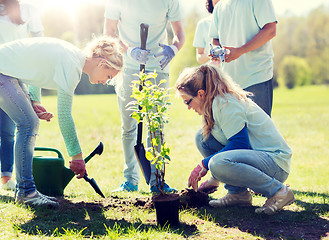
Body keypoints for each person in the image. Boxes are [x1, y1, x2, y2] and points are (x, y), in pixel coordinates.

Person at [0, 36, 123, 207]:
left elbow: (36, 67)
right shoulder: (72, 66)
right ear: (102, 63)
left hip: (7, 71)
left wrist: (35, 101)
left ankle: (25, 190)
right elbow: (64, 116)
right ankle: (26, 192)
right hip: (3, 71)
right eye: (109, 75)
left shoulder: (72, 55)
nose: (106, 81)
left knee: (29, 122)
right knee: (28, 124)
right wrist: (77, 156)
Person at [175, 64, 295, 215]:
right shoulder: (213, 104)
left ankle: (279, 191)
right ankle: (238, 194)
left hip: (275, 164)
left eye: (187, 101)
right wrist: (215, 177)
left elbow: (240, 143)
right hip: (257, 158)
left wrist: (205, 165)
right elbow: (229, 144)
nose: (188, 107)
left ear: (200, 94)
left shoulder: (224, 103)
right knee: (203, 138)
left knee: (216, 163)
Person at [103, 0, 185, 193]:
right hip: (129, 68)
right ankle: (130, 179)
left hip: (158, 68)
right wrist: (130, 50)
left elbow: (180, 33)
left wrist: (173, 49)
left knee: (156, 125)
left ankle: (157, 180)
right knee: (129, 126)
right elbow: (109, 32)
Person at [0, 0, 44, 191]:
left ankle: (6, 178)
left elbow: (39, 47)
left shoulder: (28, 9)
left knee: (9, 131)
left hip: (14, 75)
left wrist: (34, 94)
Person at [208, 0, 277, 117]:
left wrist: (240, 50)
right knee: (235, 133)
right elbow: (215, 39)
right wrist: (216, 51)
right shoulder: (219, 7)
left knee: (259, 133)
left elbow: (270, 30)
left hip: (257, 77)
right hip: (229, 83)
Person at [193, 0, 220, 64]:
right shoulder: (202, 24)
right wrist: (212, 53)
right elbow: (199, 58)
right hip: (212, 72)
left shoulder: (234, 21)